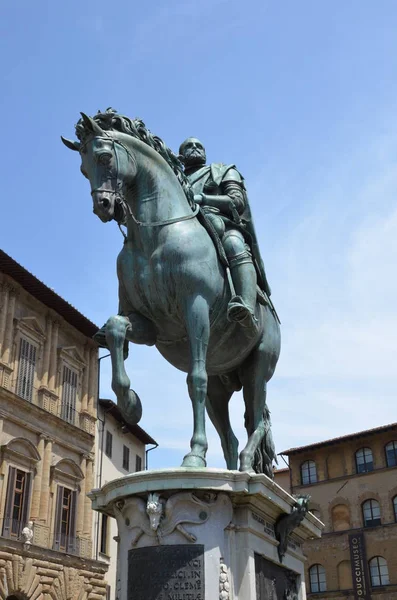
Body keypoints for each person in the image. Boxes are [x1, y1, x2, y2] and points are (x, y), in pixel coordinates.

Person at [179, 137, 271, 330]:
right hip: (182, 226)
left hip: (218, 221)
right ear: (181, 155)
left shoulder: (223, 170)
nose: (195, 148)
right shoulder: (174, 178)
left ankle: (246, 307)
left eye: (199, 146)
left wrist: (203, 199)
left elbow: (237, 201)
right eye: (189, 146)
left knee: (234, 244)